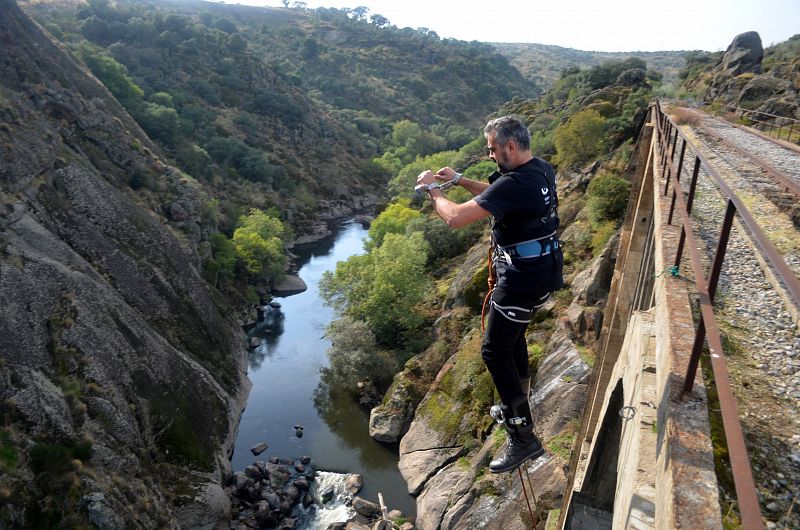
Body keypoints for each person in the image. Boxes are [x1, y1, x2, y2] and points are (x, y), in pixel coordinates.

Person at [415, 115, 563, 473]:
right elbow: (497, 194)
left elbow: (454, 218)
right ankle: (520, 397)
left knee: (494, 351)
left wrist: (432, 191)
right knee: (512, 339)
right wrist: (460, 180)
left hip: (522, 278)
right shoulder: (540, 170)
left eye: (493, 149)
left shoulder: (515, 183)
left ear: (510, 147)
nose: (491, 154)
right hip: (542, 270)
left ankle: (522, 436)